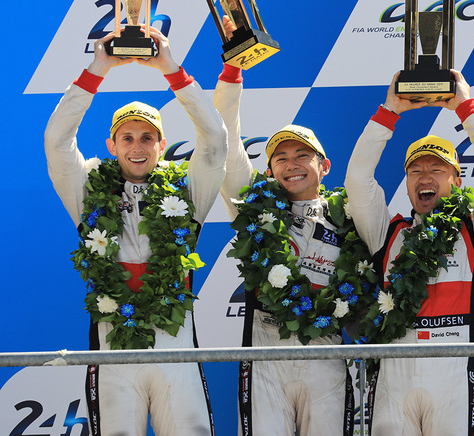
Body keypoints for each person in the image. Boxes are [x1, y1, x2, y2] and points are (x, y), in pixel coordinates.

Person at [44, 28, 225, 436]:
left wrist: (170, 69)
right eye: (127, 138)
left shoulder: (189, 191)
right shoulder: (88, 189)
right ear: (112, 145)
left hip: (175, 348)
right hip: (113, 350)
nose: (137, 146)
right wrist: (98, 68)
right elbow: (57, 142)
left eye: (147, 138)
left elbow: (214, 140)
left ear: (162, 145)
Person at [343, 70, 474, 436]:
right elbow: (357, 180)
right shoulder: (388, 234)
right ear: (405, 183)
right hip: (393, 376)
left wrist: (465, 107)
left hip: (452, 373)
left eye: (437, 169)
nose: (425, 177)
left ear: (457, 180)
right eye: (415, 170)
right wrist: (389, 111)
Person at [214, 73, 354, 436]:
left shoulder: (352, 218)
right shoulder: (253, 209)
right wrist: (232, 76)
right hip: (265, 355)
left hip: (326, 355)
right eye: (281, 158)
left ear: (324, 165)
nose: (291, 164)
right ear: (270, 171)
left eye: (302, 155)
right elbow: (227, 143)